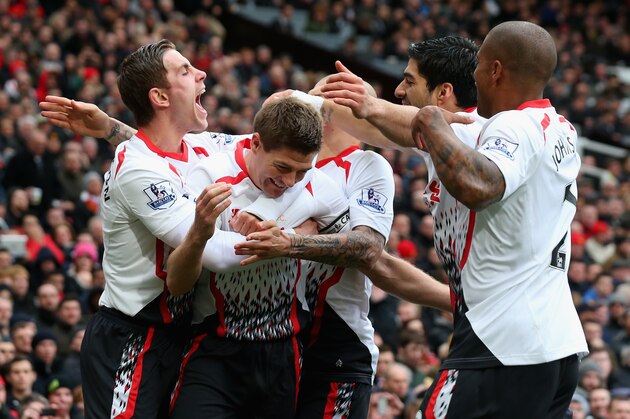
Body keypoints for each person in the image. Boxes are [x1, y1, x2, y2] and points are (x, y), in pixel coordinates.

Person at [397, 21, 586, 417]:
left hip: (500, 343)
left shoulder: (513, 124)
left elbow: (480, 186)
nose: (474, 75)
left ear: (495, 70)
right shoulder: (561, 129)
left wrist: (431, 121)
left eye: (479, 65)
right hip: (557, 347)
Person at [166, 97, 350, 418]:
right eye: (282, 167)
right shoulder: (210, 176)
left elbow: (350, 244)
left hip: (284, 348)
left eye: (301, 171)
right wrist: (298, 234)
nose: (290, 181)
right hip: (215, 347)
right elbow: (206, 261)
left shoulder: (313, 181)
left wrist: (288, 235)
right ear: (255, 143)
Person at [233, 76, 395, 418]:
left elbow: (367, 248)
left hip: (338, 342)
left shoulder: (368, 165)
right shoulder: (283, 167)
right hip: (279, 338)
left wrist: (295, 240)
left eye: (319, 101)